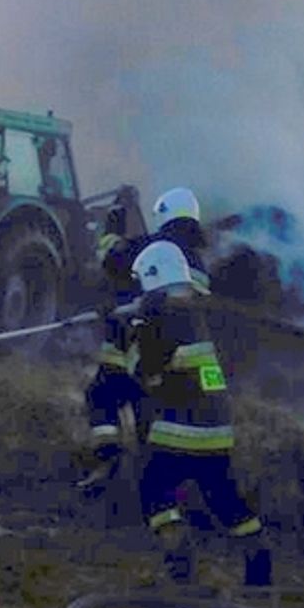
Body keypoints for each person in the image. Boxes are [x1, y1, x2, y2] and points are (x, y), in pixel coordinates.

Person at [127, 240, 272, 586]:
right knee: (225, 501)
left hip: (179, 430)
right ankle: (259, 569)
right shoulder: (196, 316)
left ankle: (179, 560)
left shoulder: (157, 319)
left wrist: (130, 332)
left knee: (154, 490)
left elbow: (141, 374)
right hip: (218, 432)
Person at [78, 187, 210, 489]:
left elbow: (110, 262)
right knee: (151, 419)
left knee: (101, 396)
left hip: (133, 348)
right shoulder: (200, 265)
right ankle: (157, 487)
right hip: (178, 359)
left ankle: (109, 462)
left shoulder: (154, 248)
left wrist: (113, 225)